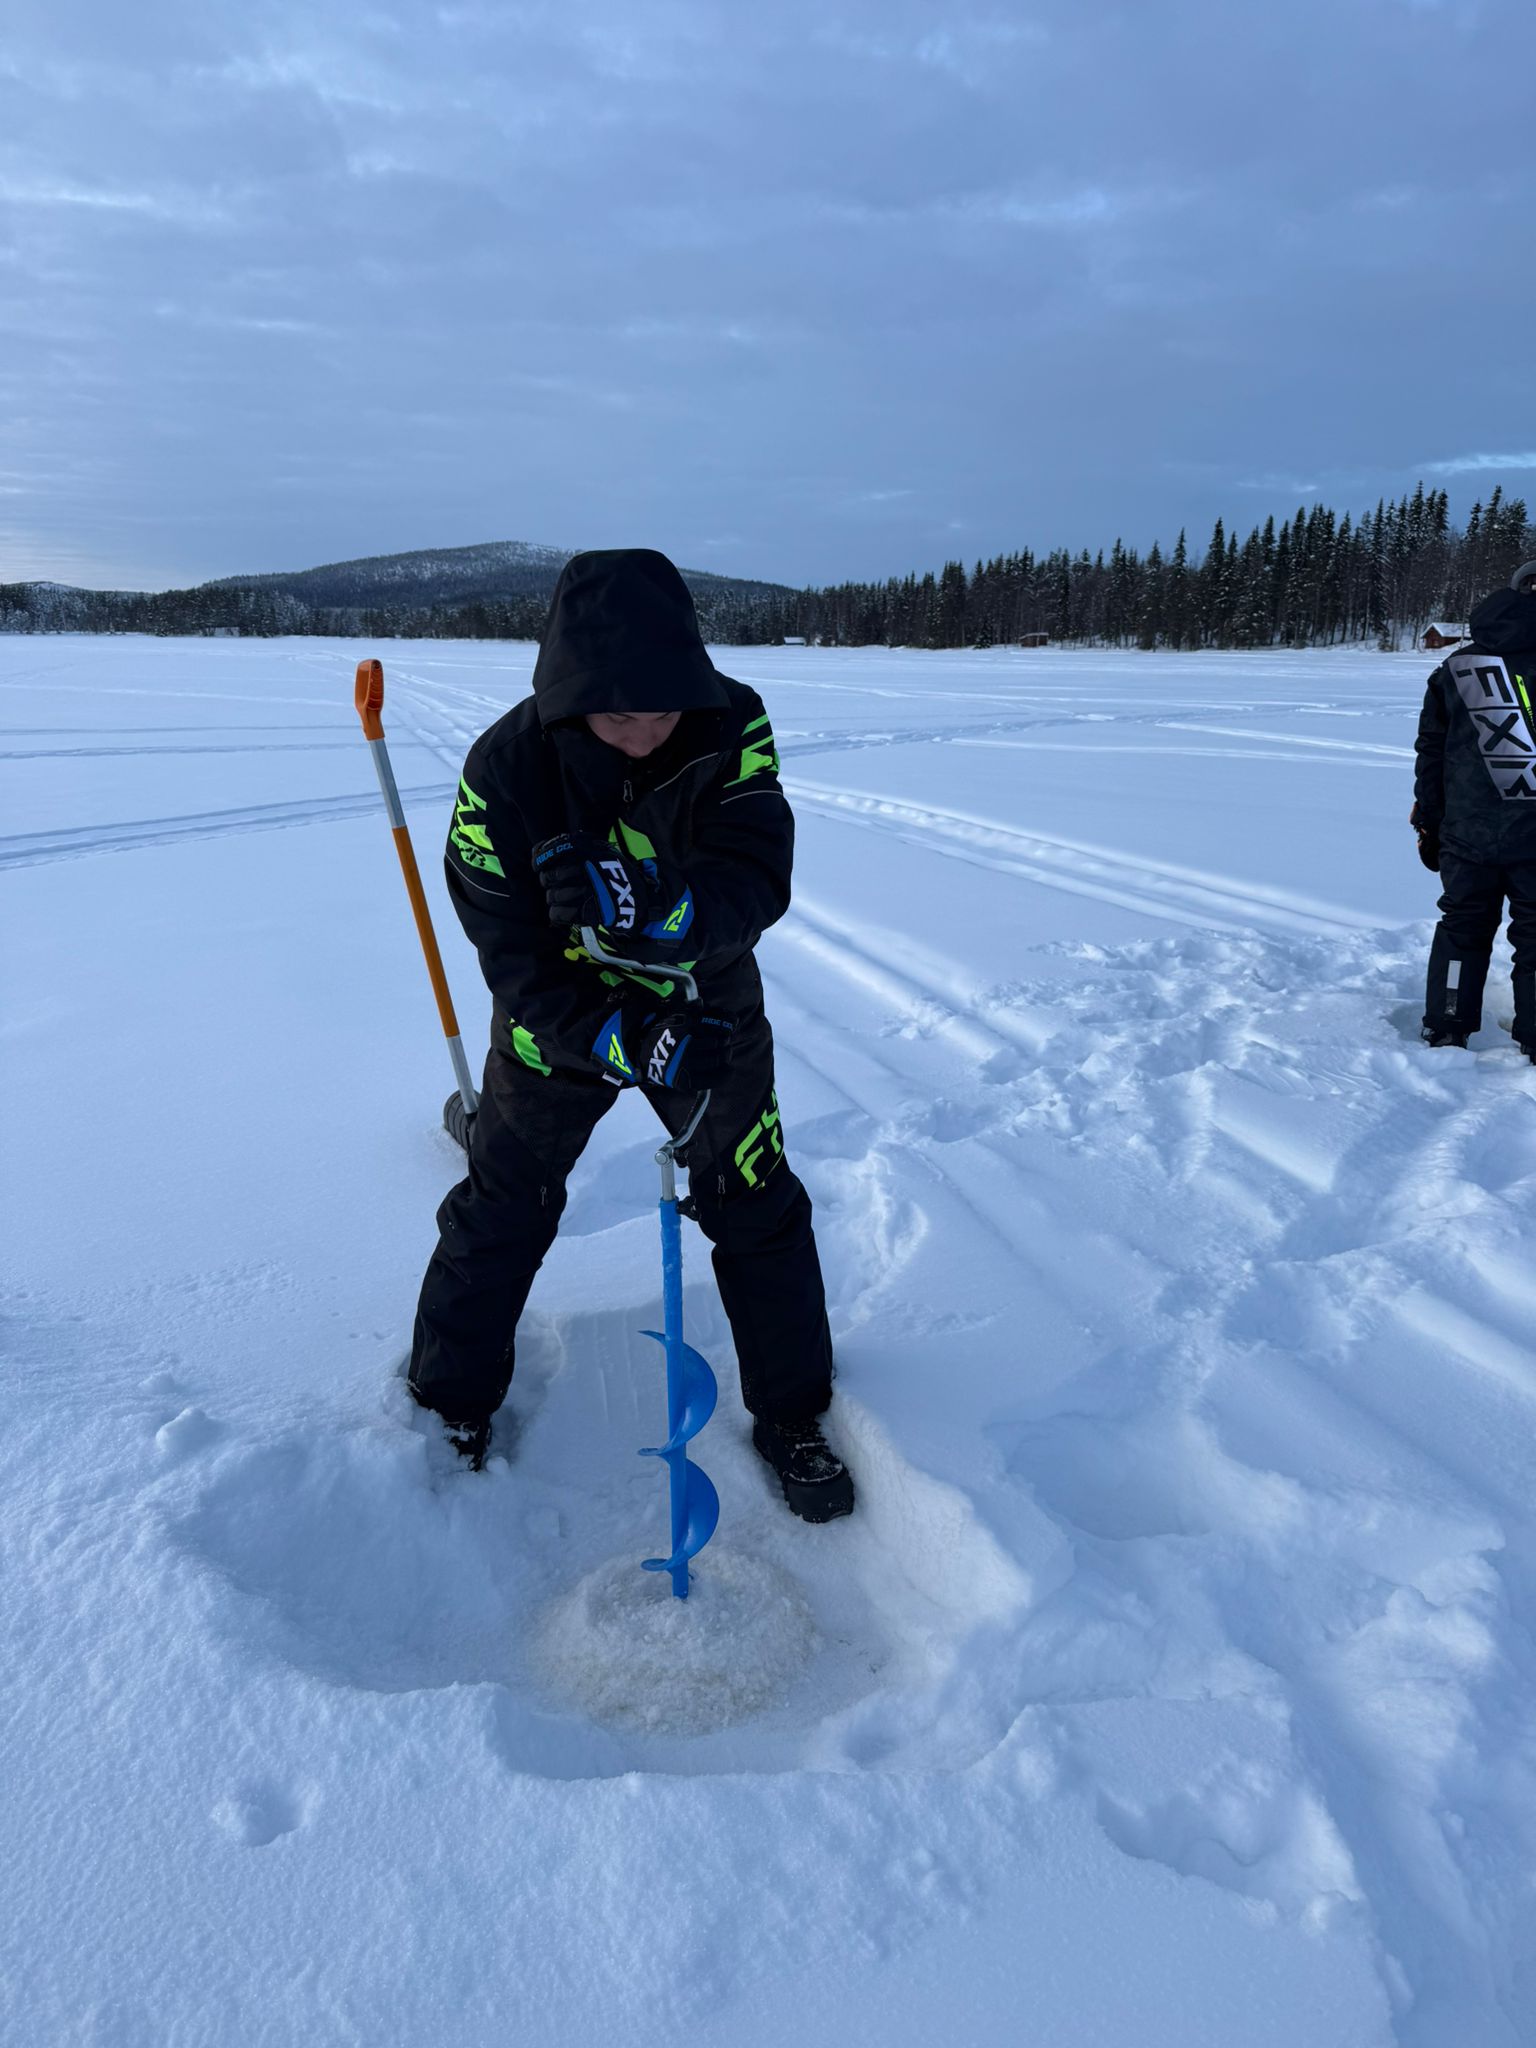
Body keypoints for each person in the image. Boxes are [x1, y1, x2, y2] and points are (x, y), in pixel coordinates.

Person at [406, 547, 854, 1521]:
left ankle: (793, 1412)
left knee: (754, 1198)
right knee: (504, 1202)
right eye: (619, 717)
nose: (647, 736)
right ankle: (449, 1403)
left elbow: (757, 871)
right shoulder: (503, 772)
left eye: (663, 713)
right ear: (569, 697)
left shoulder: (733, 721)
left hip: (706, 991)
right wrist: (618, 1038)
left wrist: (663, 900)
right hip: (558, 1014)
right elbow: (516, 962)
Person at [1414, 557, 1536, 1054]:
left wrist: (1428, 822)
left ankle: (1447, 1025)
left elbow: (1431, 752)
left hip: (1467, 831)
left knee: (1462, 928)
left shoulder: (1455, 667)